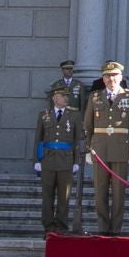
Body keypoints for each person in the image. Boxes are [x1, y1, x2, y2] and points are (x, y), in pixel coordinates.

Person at [83, 61, 129, 236]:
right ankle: (103, 227)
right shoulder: (95, 97)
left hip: (120, 149)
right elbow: (87, 126)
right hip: (99, 150)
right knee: (100, 191)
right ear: (103, 78)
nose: (111, 79)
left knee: (118, 192)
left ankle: (116, 229)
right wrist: (87, 149)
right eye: (107, 76)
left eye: (114, 75)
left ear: (120, 77)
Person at [34, 80, 82, 234]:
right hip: (48, 159)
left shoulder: (74, 115)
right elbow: (38, 138)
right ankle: (48, 226)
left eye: (67, 95)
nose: (66, 98)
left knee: (64, 196)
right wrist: (37, 160)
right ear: (55, 98)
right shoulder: (44, 115)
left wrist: (76, 161)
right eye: (63, 95)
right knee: (47, 196)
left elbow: (76, 140)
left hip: (65, 160)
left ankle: (61, 226)